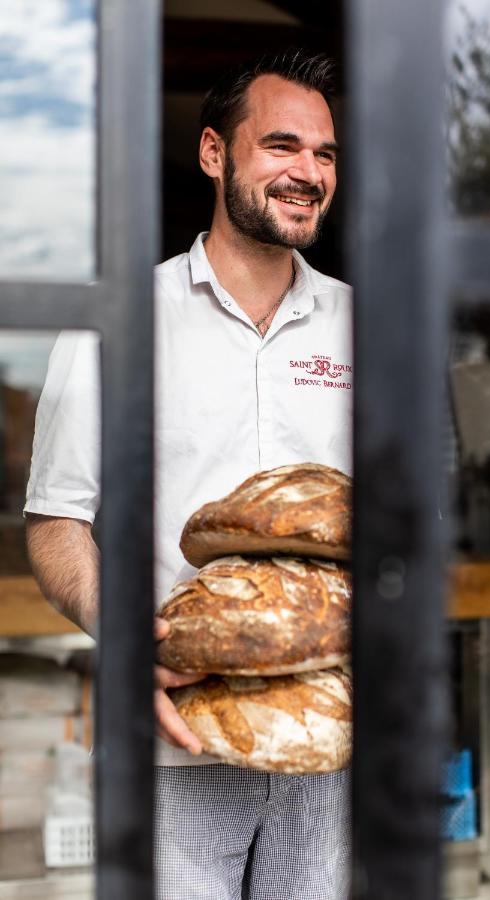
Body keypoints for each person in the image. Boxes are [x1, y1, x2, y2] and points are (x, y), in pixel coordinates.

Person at [24, 50, 352, 899]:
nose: (307, 173)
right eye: (281, 146)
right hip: (175, 736)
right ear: (214, 153)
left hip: (328, 742)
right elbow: (58, 521)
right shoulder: (116, 320)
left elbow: (411, 522)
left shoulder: (369, 328)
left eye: (324, 154)